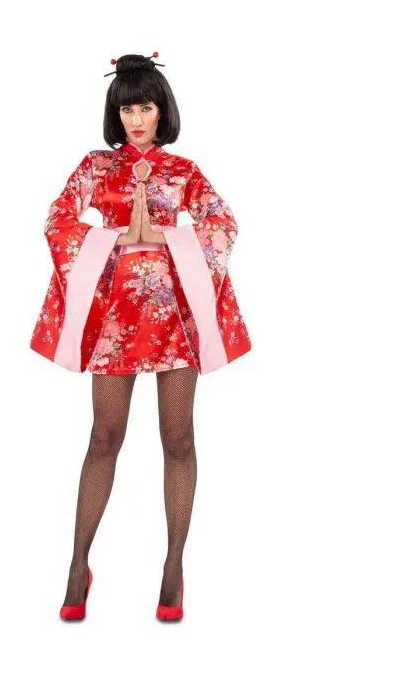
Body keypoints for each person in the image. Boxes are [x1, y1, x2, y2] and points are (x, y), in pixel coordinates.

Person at [30, 52, 251, 620]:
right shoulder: (96, 167)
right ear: (116, 113)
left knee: (178, 439)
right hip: (116, 319)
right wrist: (117, 240)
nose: (135, 119)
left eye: (145, 107)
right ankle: (78, 562)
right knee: (104, 438)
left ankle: (174, 565)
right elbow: (58, 219)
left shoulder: (184, 172)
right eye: (126, 109)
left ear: (161, 112)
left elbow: (223, 224)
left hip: (175, 317)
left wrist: (166, 235)